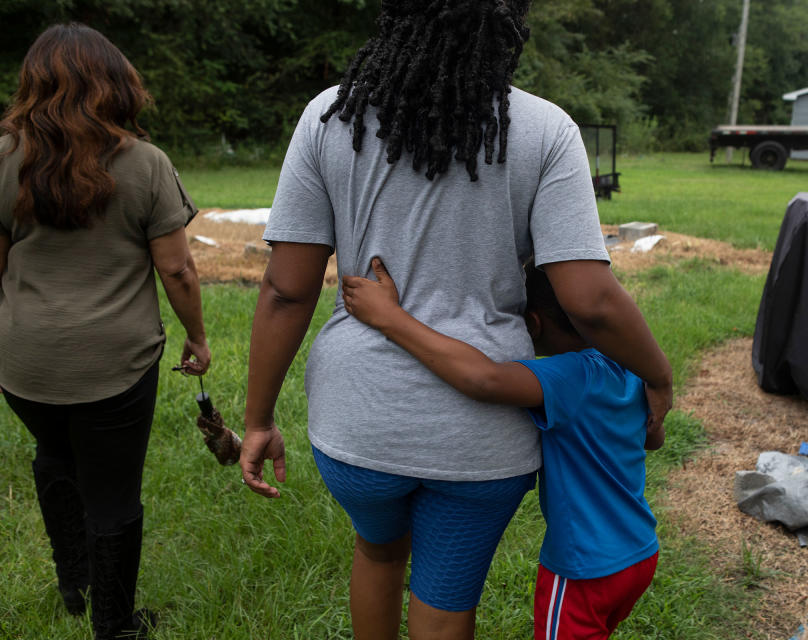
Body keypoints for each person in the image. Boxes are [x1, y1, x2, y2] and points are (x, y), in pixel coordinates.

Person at [240, 1, 672, 638]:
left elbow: (285, 289)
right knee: (446, 597)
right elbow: (591, 300)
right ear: (509, 22)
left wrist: (257, 419)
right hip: (484, 439)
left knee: (378, 552)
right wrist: (657, 378)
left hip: (361, 424)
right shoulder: (546, 131)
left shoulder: (331, 117)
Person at [0, 23, 210, 640]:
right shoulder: (145, 164)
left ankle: (75, 583)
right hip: (115, 364)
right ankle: (115, 625)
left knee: (54, 454)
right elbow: (177, 267)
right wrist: (197, 337)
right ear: (116, 84)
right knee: (113, 491)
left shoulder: (3, 157)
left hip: (22, 365)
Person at [342, 257, 663, 640]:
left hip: (586, 567)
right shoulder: (629, 364)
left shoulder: (572, 376)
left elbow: (484, 379)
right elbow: (653, 438)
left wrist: (389, 318)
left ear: (533, 323)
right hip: (639, 552)